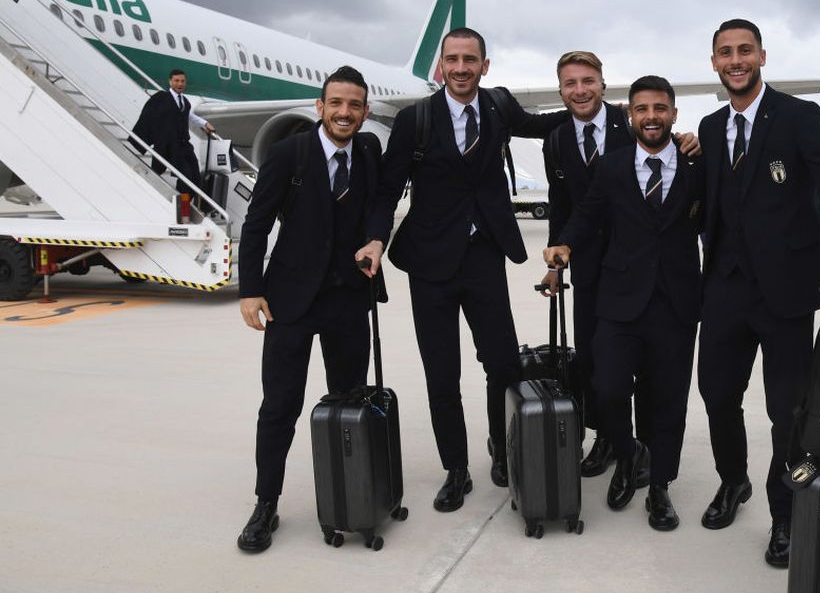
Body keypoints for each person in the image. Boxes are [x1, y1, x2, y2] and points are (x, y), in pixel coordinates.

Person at [356, 28, 568, 514]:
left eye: (470, 59)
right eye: (451, 59)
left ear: (485, 65)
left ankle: (500, 445)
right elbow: (388, 188)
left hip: (483, 255)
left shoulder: (498, 106)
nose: (460, 67)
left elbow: (544, 125)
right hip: (429, 261)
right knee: (441, 372)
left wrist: (606, 112)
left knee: (503, 364)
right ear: (440, 68)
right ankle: (455, 468)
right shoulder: (416, 120)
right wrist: (375, 239)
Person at [696, 19, 820, 567]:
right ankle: (733, 481)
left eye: (745, 50)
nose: (736, 60)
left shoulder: (799, 117)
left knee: (787, 413)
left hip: (789, 292)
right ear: (714, 63)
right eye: (726, 53)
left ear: (762, 56)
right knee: (718, 396)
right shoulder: (710, 125)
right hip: (725, 289)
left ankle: (784, 515)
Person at [545, 75, 703, 532]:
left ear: (673, 113)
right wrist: (562, 248)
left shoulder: (697, 167)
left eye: (660, 108)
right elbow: (587, 213)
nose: (651, 117)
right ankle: (628, 455)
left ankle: (659, 487)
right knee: (610, 388)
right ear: (629, 114)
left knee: (668, 400)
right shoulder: (612, 166)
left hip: (675, 302)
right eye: (642, 109)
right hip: (619, 299)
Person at [235, 66, 383, 553]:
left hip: (346, 301)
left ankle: (351, 499)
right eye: (336, 103)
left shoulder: (368, 151)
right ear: (319, 108)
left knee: (347, 405)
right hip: (290, 303)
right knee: (280, 407)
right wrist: (249, 289)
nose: (345, 113)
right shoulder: (288, 154)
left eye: (354, 105)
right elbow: (256, 225)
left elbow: (378, 205)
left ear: (364, 111)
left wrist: (376, 240)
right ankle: (265, 504)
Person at [130, 69, 215, 190]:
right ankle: (180, 202)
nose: (180, 84)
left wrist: (205, 123)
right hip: (168, 145)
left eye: (182, 81)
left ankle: (181, 201)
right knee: (186, 178)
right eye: (176, 81)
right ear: (170, 82)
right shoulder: (161, 98)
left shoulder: (185, 101)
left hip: (184, 145)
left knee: (196, 179)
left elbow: (187, 115)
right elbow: (148, 115)